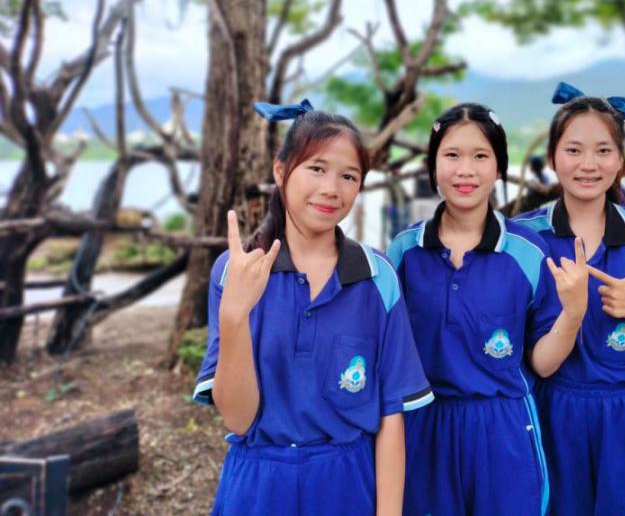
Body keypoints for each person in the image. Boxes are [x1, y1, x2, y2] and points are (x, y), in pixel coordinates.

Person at [193, 100, 432, 516]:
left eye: (349, 176)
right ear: (280, 170)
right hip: (258, 485)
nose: (331, 189)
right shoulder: (237, 271)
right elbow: (238, 419)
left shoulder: (377, 277)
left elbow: (391, 413)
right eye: (317, 168)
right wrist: (234, 316)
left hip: (347, 484)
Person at [387, 103, 589, 516]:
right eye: (452, 155)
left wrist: (573, 314)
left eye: (480, 156)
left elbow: (543, 364)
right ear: (433, 166)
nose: (465, 170)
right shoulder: (404, 250)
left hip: (502, 426)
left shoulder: (528, 252)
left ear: (499, 168)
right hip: (422, 423)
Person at [515, 82, 625, 516]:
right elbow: (538, 363)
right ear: (552, 157)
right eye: (573, 150)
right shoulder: (524, 239)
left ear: (621, 162)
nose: (588, 164)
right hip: (552, 410)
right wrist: (573, 313)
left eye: (603, 151)